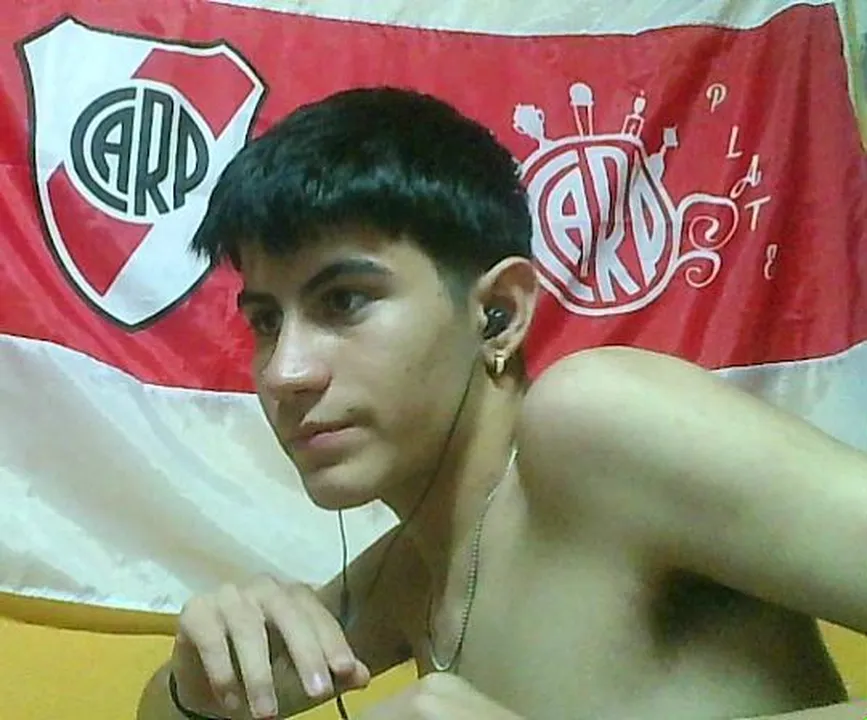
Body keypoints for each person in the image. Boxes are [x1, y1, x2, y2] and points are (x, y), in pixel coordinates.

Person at [137, 87, 867, 720]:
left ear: (499, 313)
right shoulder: (411, 573)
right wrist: (192, 686)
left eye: (344, 301)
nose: (285, 372)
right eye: (267, 321)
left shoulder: (595, 425)